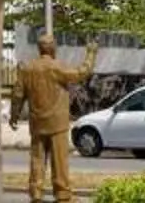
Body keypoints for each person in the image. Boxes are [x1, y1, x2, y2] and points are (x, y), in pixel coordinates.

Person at [10, 33, 95, 203]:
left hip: (37, 122)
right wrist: (91, 53)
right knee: (59, 160)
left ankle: (36, 192)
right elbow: (81, 72)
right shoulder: (57, 68)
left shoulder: (28, 69)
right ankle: (63, 194)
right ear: (52, 48)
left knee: (37, 159)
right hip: (57, 122)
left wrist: (14, 115)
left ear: (39, 49)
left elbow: (18, 94)